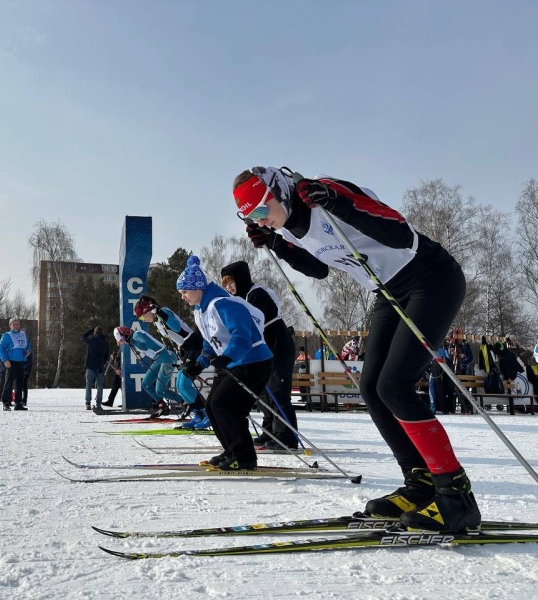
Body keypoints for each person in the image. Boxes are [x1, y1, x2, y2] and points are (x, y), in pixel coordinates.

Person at [235, 164, 480, 531]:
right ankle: (420, 483)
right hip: (388, 290)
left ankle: (456, 496)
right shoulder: (290, 223)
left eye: (260, 209)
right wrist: (277, 244)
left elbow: (400, 234)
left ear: (279, 190)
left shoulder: (323, 193)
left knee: (394, 385)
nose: (261, 219)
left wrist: (338, 202)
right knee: (371, 388)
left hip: (430, 277)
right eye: (250, 216)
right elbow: (319, 270)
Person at [176, 255, 273, 470]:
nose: (182, 296)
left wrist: (227, 357)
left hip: (253, 361)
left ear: (198, 287)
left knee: (226, 404)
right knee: (212, 406)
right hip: (234, 362)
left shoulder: (222, 303)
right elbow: (211, 342)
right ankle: (231, 451)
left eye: (184, 291)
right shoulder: (201, 310)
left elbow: (241, 336)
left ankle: (244, 458)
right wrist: (199, 364)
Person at [220, 262, 299, 449]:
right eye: (225, 284)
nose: (229, 287)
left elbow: (254, 322)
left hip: (278, 346)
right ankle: (270, 430)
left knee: (278, 392)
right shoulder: (239, 299)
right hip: (262, 349)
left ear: (241, 279)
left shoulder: (256, 294)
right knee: (262, 392)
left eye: (231, 282)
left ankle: (286, 435)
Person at [133, 295, 208, 428]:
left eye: (143, 317)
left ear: (148, 310)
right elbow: (175, 337)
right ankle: (198, 414)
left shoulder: (164, 311)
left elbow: (177, 328)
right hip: (186, 349)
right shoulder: (156, 321)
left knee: (184, 384)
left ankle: (207, 413)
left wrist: (160, 312)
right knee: (180, 385)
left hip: (194, 345)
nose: (144, 320)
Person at [113, 319, 187, 418]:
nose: (123, 343)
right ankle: (162, 406)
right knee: (146, 383)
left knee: (160, 390)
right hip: (159, 359)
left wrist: (132, 342)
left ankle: (186, 404)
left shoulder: (137, 335)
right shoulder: (134, 337)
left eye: (122, 340)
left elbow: (144, 346)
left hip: (167, 358)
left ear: (125, 335)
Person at [0, 318, 31, 411]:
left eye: (17, 324)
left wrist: (28, 350)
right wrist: (5, 360)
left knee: (19, 384)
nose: (16, 326)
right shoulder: (7, 336)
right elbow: (0, 349)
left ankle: (18, 403)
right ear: (10, 326)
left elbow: (28, 345)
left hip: (21, 362)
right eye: (14, 324)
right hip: (11, 362)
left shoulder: (23, 335)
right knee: (8, 383)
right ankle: (6, 403)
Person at [81, 326, 110, 410]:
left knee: (89, 384)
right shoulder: (105, 343)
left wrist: (91, 330)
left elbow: (83, 337)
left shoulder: (91, 340)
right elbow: (106, 356)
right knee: (100, 385)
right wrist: (102, 363)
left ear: (95, 332)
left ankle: (88, 403)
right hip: (100, 366)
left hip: (91, 366)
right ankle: (98, 404)